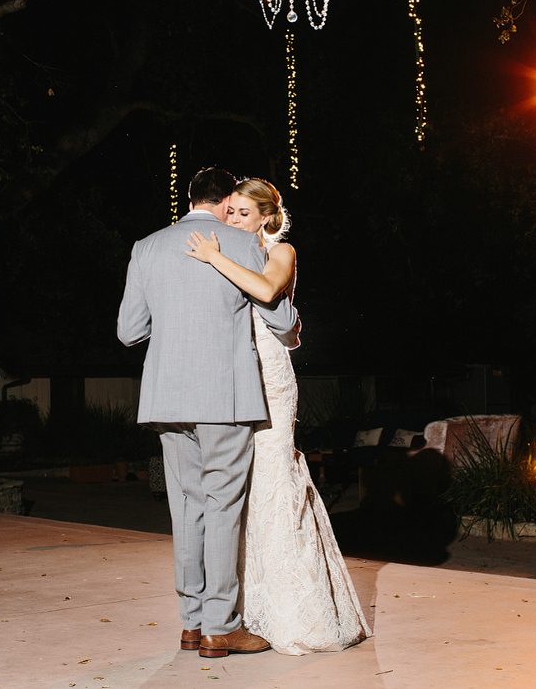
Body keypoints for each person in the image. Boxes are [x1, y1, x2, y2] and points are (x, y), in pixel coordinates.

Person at [117, 167, 299, 659]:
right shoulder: (243, 245)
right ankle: (222, 627)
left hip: (167, 398)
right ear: (223, 204)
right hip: (224, 397)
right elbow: (281, 318)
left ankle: (191, 624)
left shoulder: (147, 245)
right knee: (223, 506)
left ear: (192, 198)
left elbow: (129, 331)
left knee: (186, 506)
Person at [186, 178, 371, 654]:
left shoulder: (281, 252)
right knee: (236, 488)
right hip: (230, 376)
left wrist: (214, 258)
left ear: (266, 217)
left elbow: (269, 293)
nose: (232, 220)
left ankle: (291, 611)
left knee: (273, 479)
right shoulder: (224, 250)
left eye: (243, 214)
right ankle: (235, 610)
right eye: (229, 212)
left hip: (269, 377)